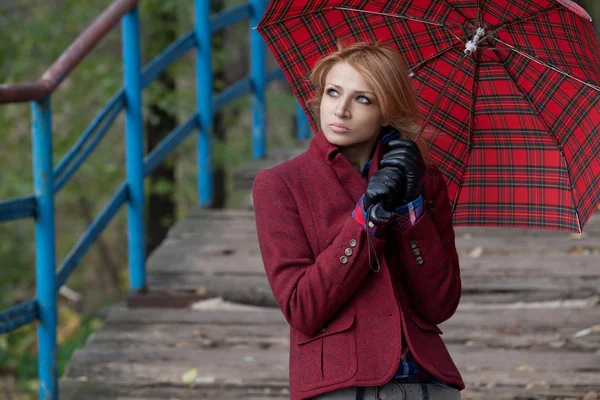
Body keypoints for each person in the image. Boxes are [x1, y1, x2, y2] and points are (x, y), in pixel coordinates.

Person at [252, 41, 463, 400]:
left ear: (386, 111)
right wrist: (366, 217)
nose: (341, 110)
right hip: (340, 384)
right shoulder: (280, 184)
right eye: (333, 92)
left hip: (428, 380)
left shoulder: (425, 182)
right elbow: (303, 308)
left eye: (363, 99)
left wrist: (411, 209)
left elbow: (440, 305)